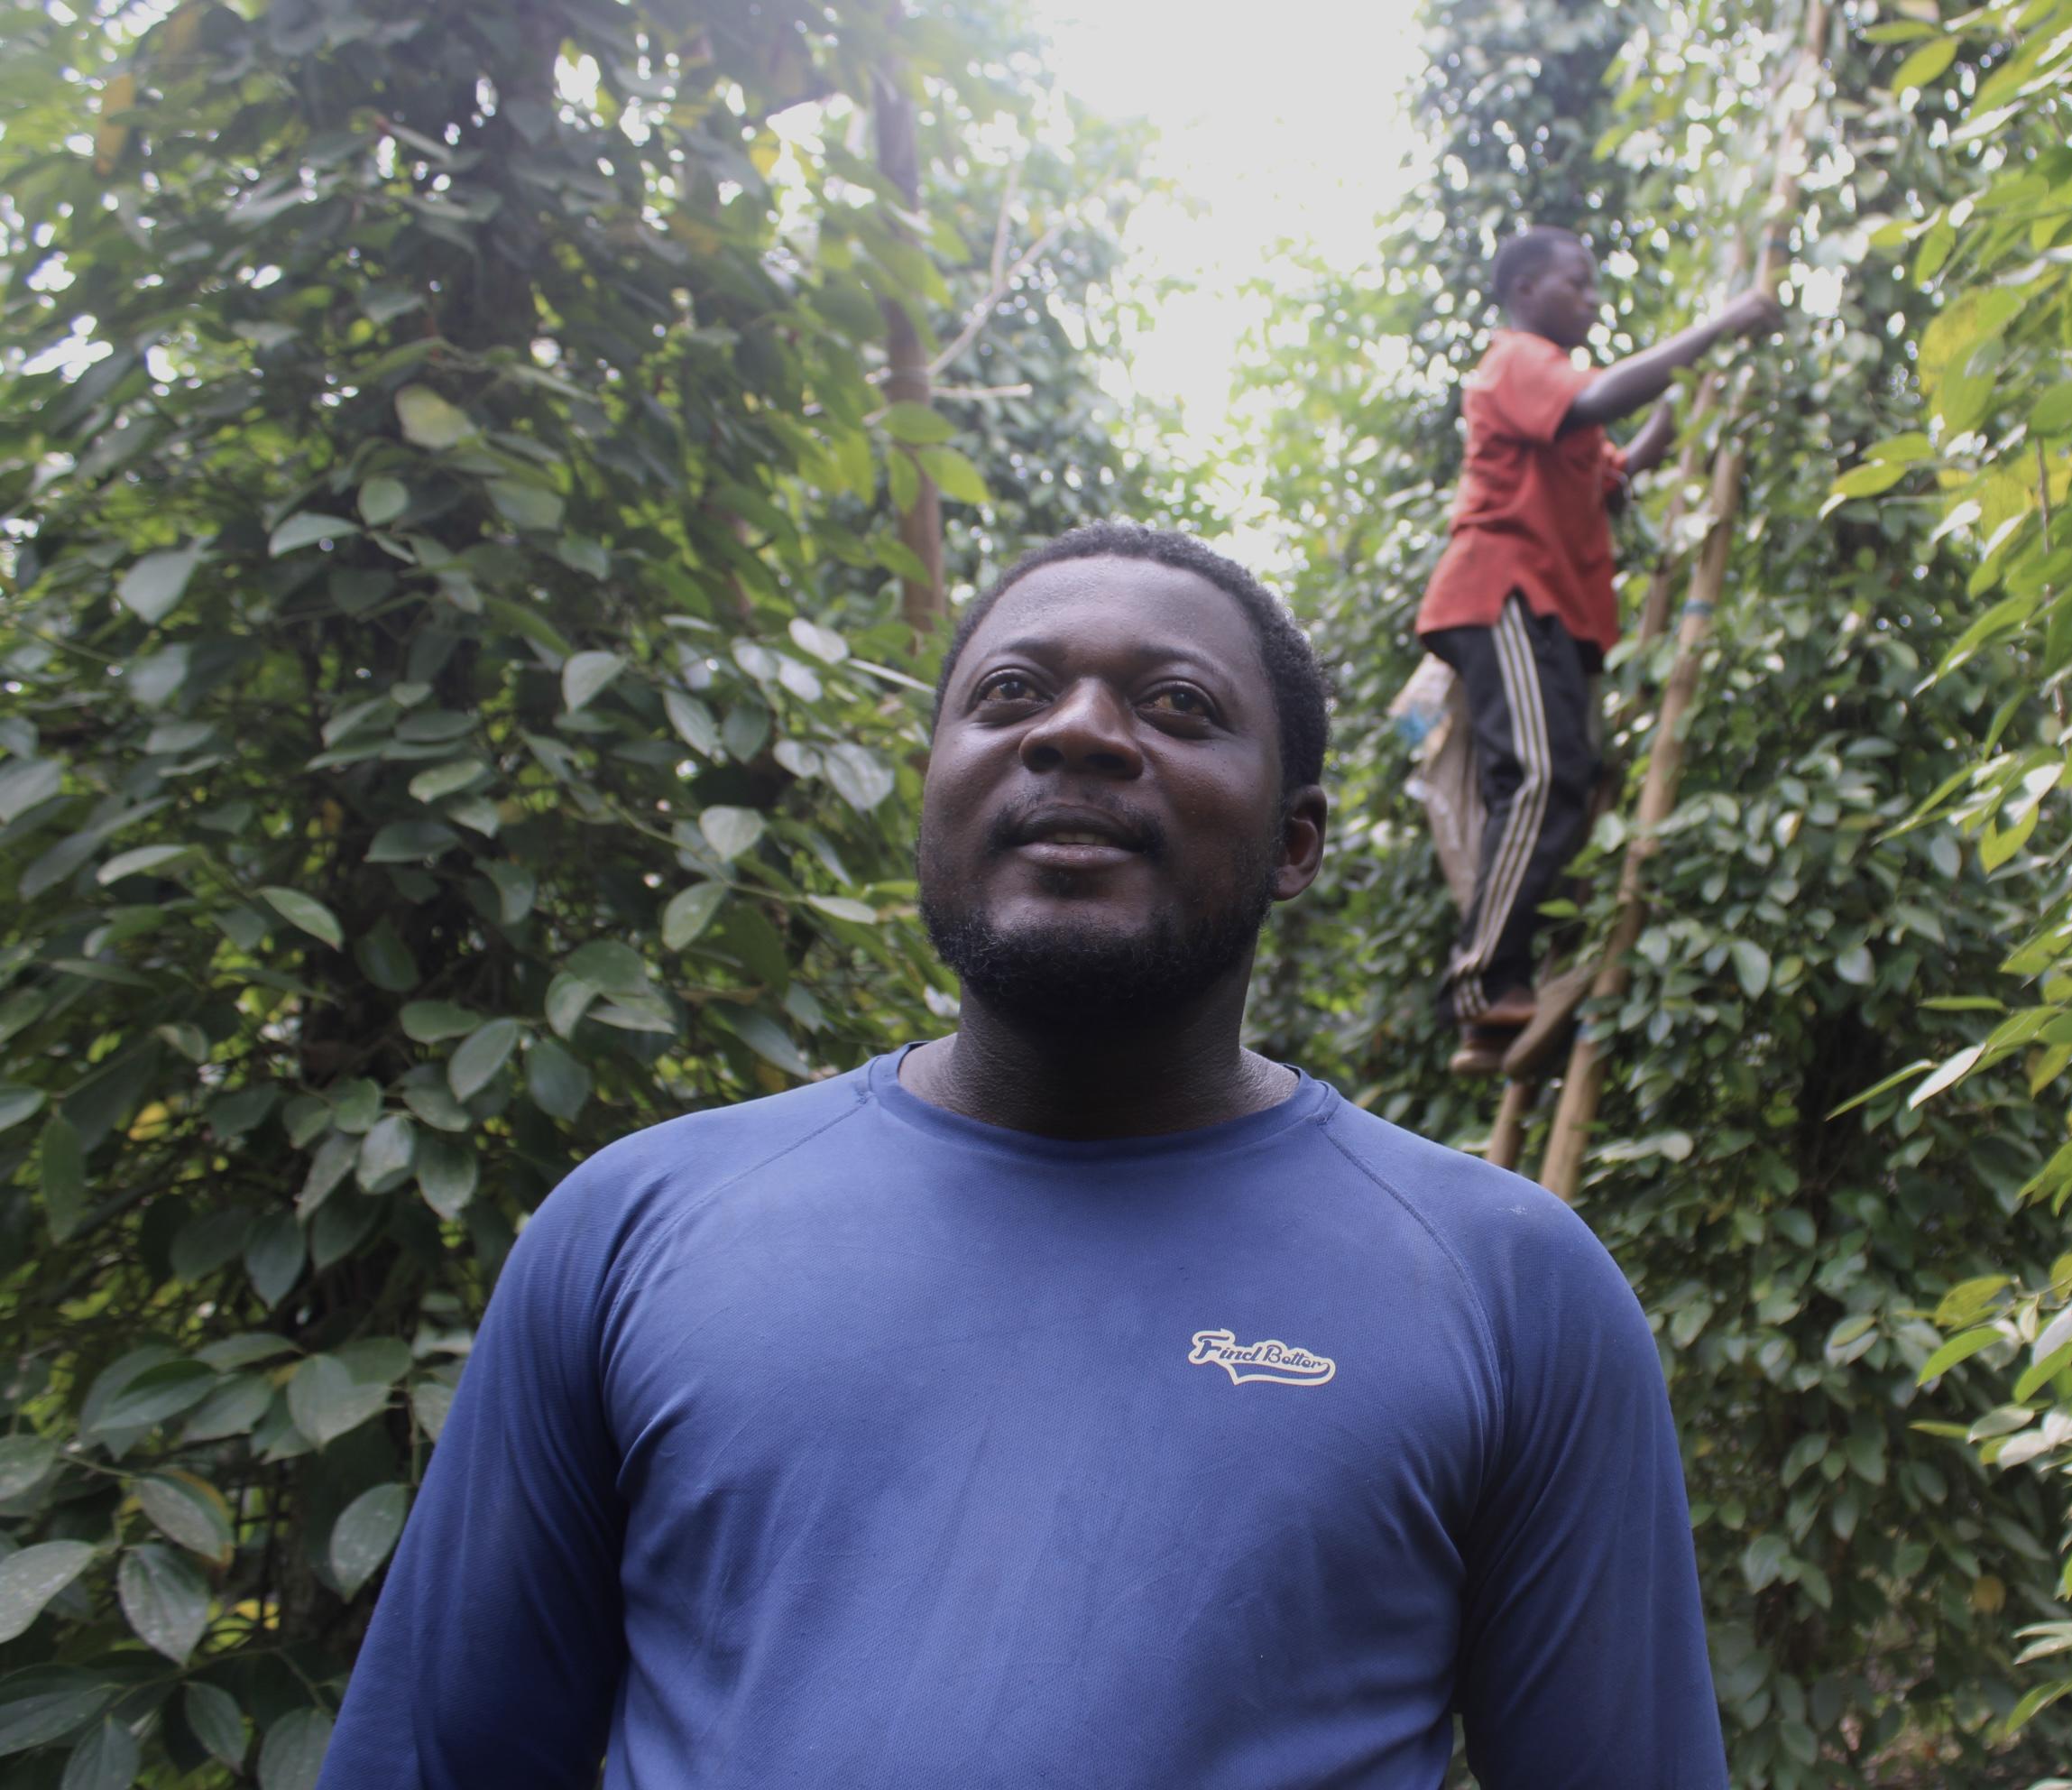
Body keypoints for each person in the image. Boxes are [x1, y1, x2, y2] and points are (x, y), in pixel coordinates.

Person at [320, 521, 1727, 1788]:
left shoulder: (1511, 1289)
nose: (1079, 734)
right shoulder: (631, 1229)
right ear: (931, 794)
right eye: (1010, 695)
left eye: (1178, 706)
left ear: (1296, 842)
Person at [1420, 225, 1781, 1074]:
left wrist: (1689, 395)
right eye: (1574, 284)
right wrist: (1724, 324)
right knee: (1542, 777)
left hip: (1559, 615)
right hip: (1502, 590)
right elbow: (1596, 399)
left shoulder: (1567, 413)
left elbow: (1622, 460)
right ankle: (1479, 982)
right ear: (1524, 293)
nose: (1589, 298)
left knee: (1571, 786)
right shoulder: (1515, 360)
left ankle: (1499, 1008)